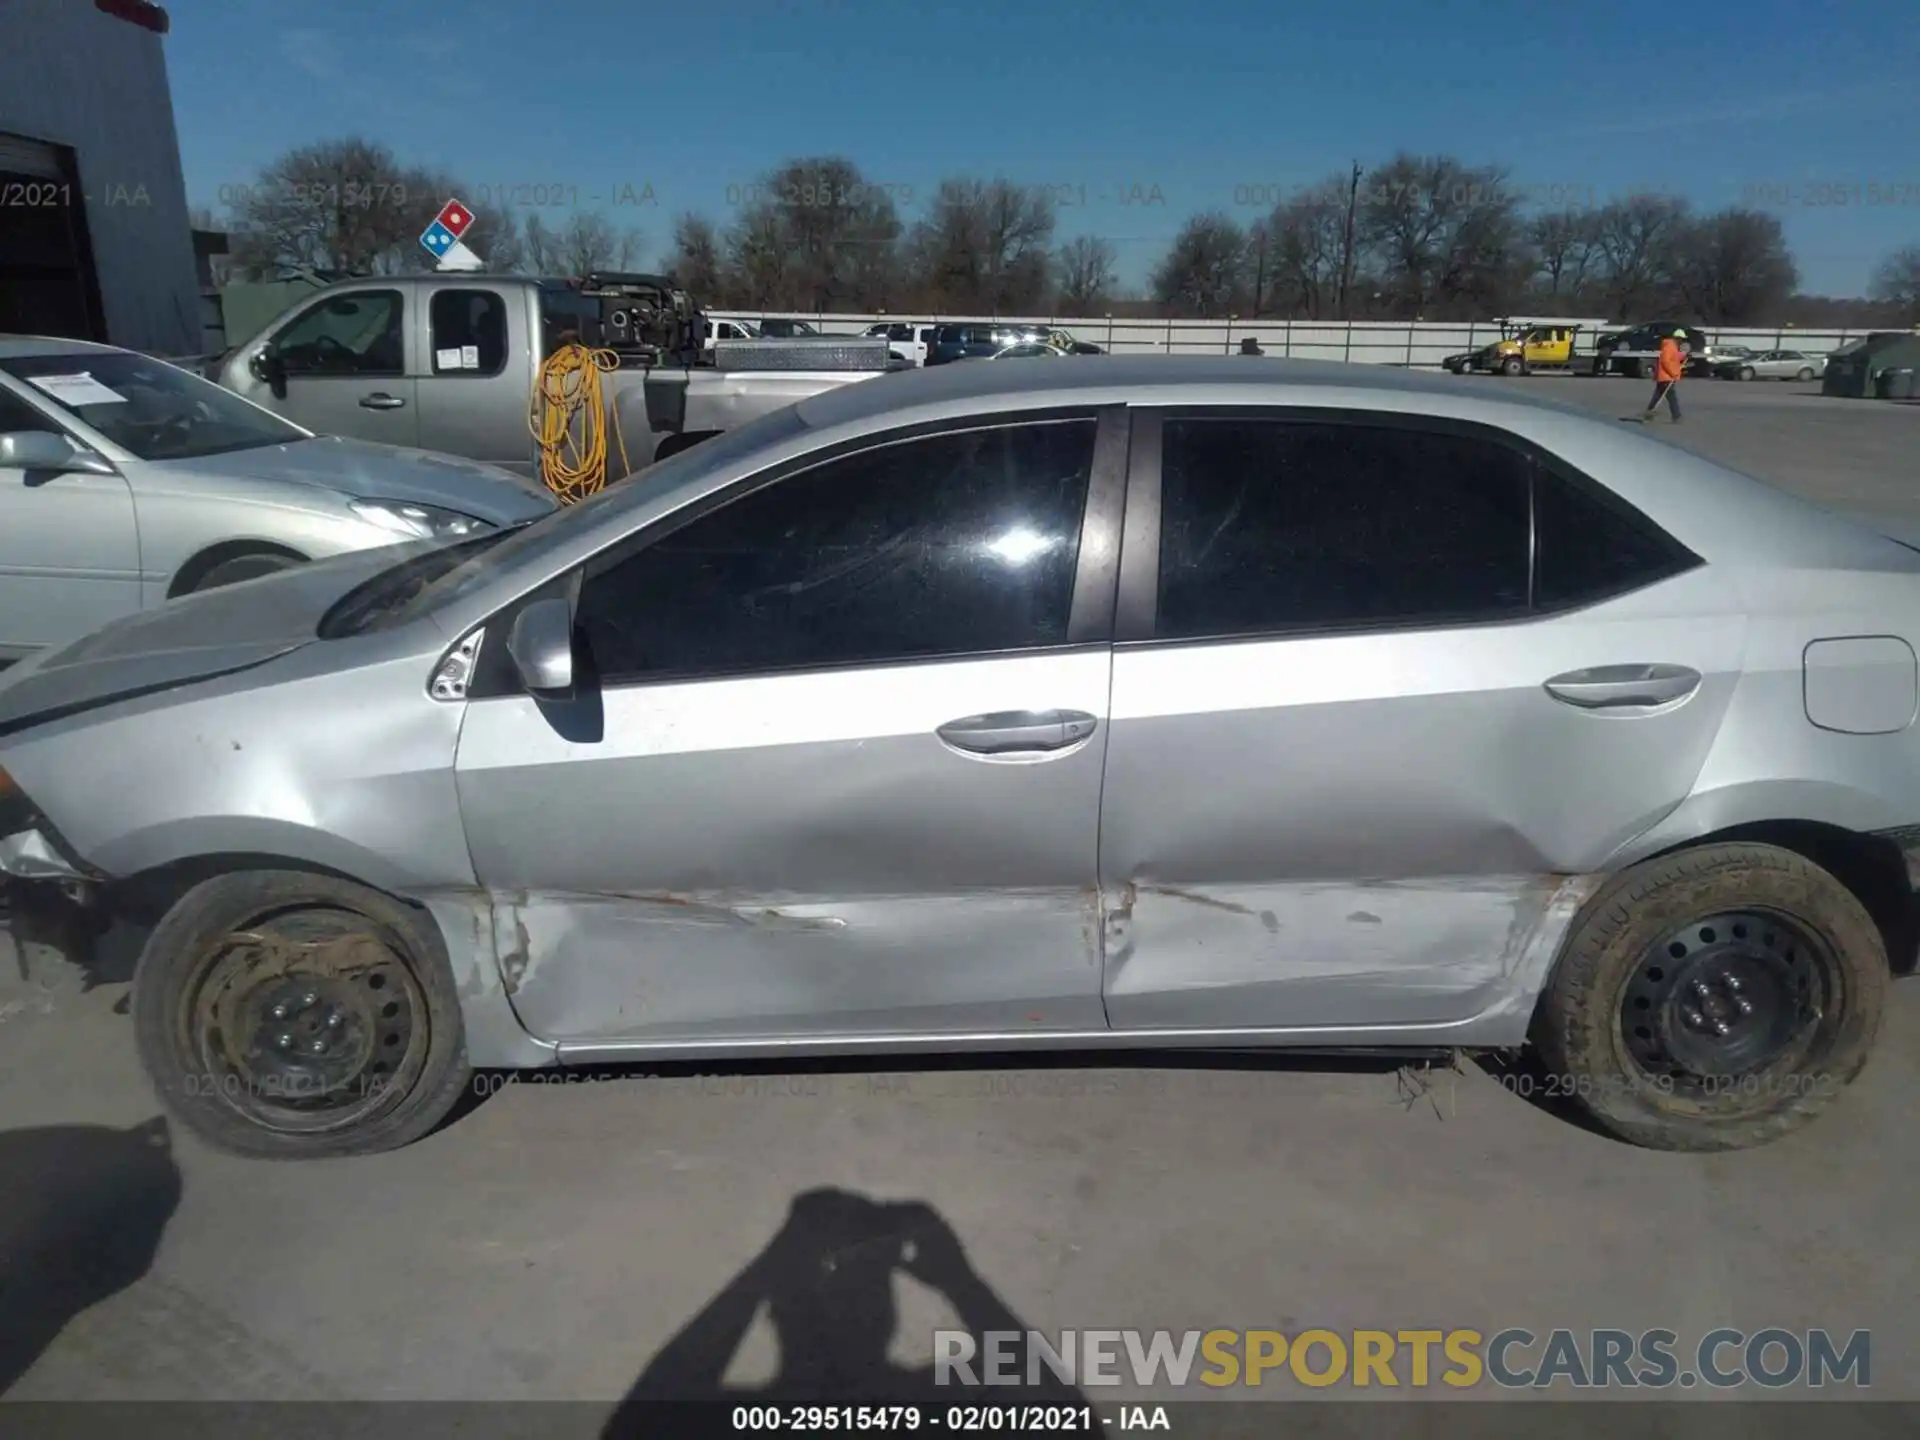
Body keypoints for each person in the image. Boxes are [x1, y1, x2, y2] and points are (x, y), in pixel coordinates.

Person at [1640, 329, 1687, 423]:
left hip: (1665, 377)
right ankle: (1676, 416)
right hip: (1666, 377)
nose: (1682, 342)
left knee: (1657, 397)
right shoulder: (1669, 346)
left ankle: (1648, 415)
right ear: (1677, 338)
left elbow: (1674, 357)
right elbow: (1665, 361)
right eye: (1682, 339)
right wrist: (1673, 373)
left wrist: (1683, 355)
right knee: (1672, 397)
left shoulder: (1673, 346)